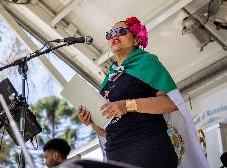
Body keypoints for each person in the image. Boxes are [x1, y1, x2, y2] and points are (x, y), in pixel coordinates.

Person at [77, 16, 209, 168]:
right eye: (110, 34)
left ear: (135, 39)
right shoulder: (108, 79)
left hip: (147, 147)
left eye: (120, 31)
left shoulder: (147, 62)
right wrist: (91, 120)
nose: (114, 36)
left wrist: (128, 105)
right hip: (116, 154)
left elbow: (171, 103)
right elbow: (106, 130)